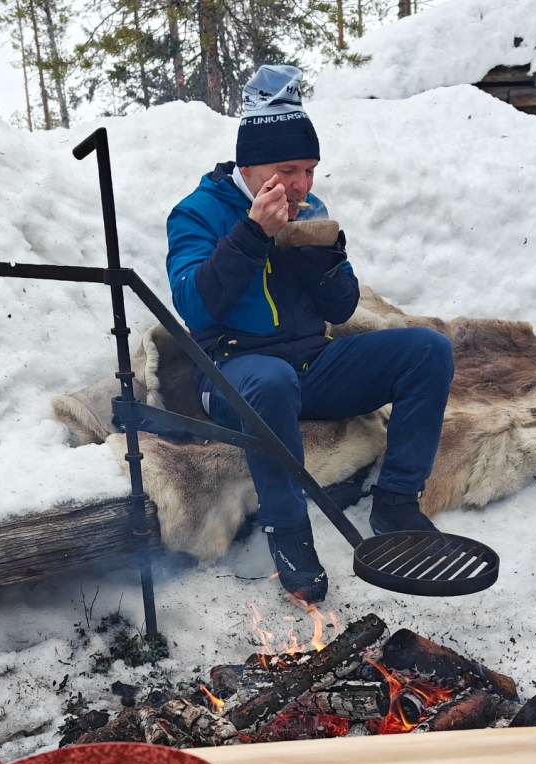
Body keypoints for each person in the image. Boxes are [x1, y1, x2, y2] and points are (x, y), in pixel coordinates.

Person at [166, 64, 453, 605]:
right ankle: (290, 533)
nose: (301, 184)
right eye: (288, 169)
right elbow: (195, 306)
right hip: (233, 375)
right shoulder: (197, 213)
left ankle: (396, 502)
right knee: (271, 380)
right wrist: (252, 235)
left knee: (427, 349)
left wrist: (324, 260)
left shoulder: (309, 211)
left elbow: (341, 307)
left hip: (310, 366)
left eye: (310, 170)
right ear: (249, 166)